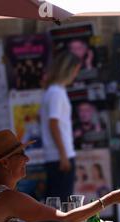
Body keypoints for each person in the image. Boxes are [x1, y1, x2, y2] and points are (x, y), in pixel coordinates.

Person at [40, 51, 81, 202]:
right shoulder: (56, 92)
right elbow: (53, 124)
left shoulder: (52, 91)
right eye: (76, 70)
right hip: (59, 155)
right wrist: (63, 155)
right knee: (61, 202)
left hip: (57, 154)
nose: (76, 75)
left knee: (55, 201)